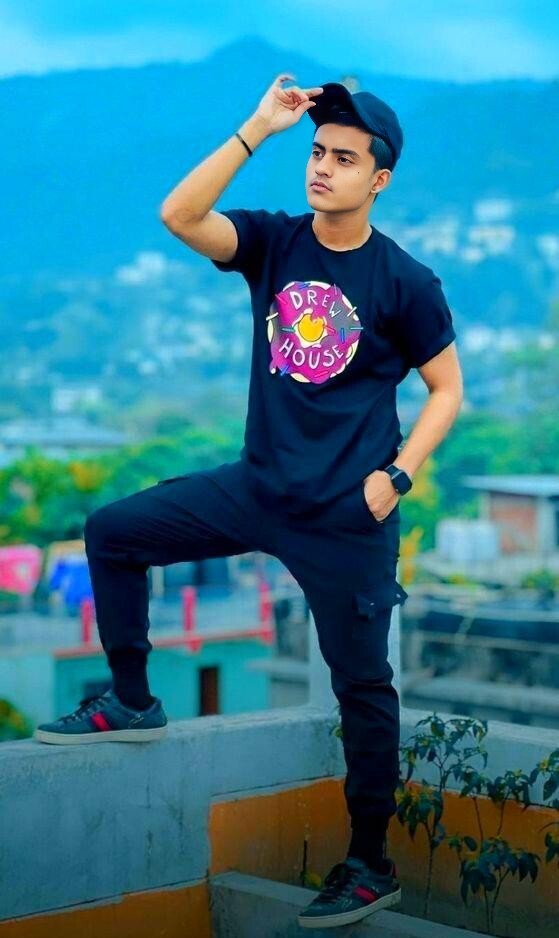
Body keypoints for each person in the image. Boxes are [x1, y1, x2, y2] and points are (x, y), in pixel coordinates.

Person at [34, 74, 463, 928]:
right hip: (256, 487)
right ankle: (131, 698)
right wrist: (259, 128)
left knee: (361, 688)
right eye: (317, 152)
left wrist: (397, 476)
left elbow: (446, 389)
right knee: (113, 532)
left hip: (347, 516)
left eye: (344, 159)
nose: (322, 168)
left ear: (378, 178)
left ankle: (369, 863)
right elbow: (179, 215)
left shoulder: (405, 280)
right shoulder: (274, 242)